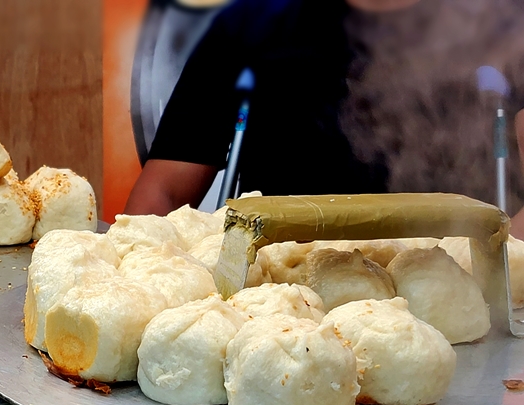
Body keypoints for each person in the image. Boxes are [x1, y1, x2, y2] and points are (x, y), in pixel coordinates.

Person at [125, 0, 524, 237]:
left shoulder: (504, 27)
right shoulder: (249, 25)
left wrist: (496, 273)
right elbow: (166, 193)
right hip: (282, 289)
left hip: (458, 285)